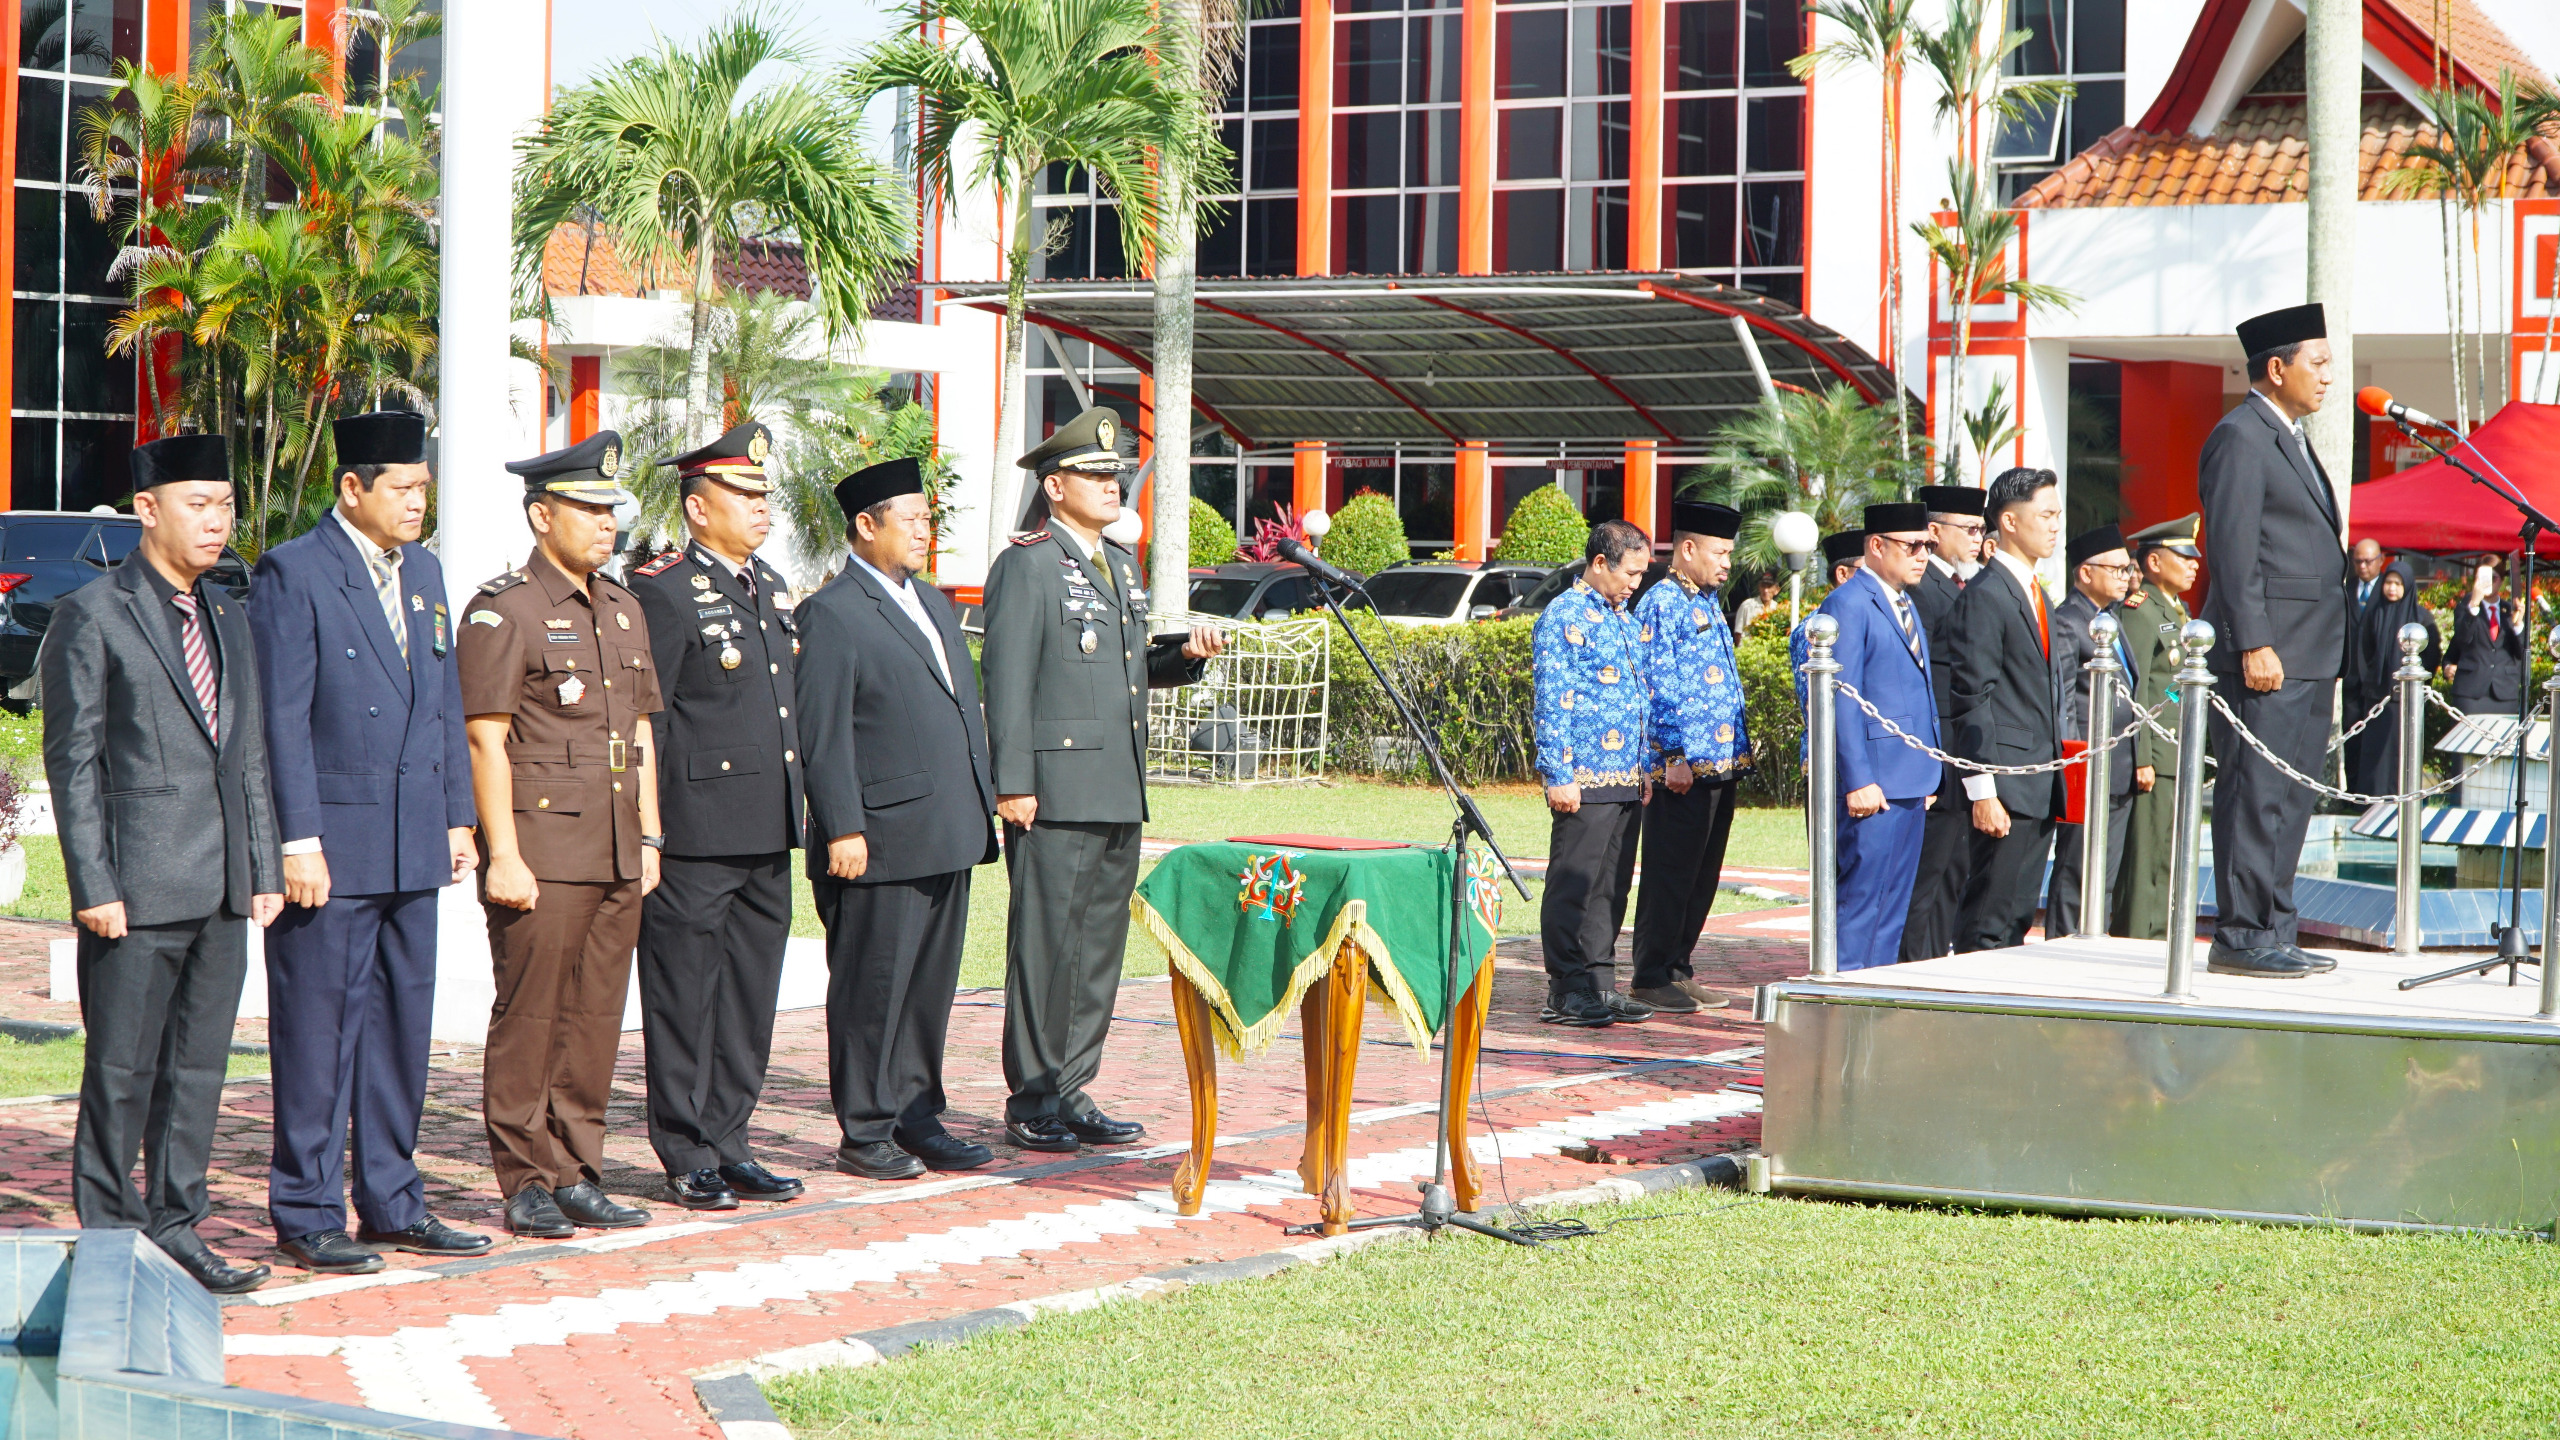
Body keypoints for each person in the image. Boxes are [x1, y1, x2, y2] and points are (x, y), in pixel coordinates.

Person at [249, 411, 490, 1277]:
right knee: (318, 1035)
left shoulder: (422, 570)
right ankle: (307, 1210)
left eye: (424, 488)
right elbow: (280, 717)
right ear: (352, 487)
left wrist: (458, 816)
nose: (418, 503)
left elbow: (444, 699)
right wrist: (296, 839)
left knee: (399, 1032)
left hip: (412, 837)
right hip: (334, 847)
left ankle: (393, 1200)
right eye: (404, 488)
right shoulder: (295, 571)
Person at [43, 433, 284, 1294]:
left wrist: (262, 865)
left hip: (221, 890)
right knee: (121, 1070)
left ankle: (179, 1225)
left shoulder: (227, 611)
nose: (217, 522)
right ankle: (112, 1236)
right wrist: (93, 883)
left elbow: (245, 752)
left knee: (197, 1071)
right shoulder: (94, 613)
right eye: (198, 505)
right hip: (136, 888)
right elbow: (72, 761)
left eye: (225, 506)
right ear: (148, 510)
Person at [983, 406, 1225, 1153]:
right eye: (1093, 474)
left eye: (1115, 473)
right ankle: (1033, 1096)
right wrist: (1012, 783)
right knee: (1045, 949)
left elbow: (1127, 669)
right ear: (1055, 486)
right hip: (1053, 792)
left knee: (1096, 953)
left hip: (1117, 784)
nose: (1111, 484)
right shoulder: (1027, 564)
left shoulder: (1120, 564)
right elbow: (1007, 680)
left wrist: (1184, 657)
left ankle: (1072, 1087)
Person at [460, 431, 664, 1235]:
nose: (606, 523)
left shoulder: (622, 608)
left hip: (616, 845)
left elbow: (640, 733)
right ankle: (525, 1179)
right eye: (587, 508)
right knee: (532, 1016)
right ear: (542, 516)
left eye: (611, 509)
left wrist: (649, 838)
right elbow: (484, 738)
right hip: (543, 849)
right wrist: (503, 854)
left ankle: (578, 1170)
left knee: (595, 1019)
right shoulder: (505, 608)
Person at [796, 458, 1001, 1180]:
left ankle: (918, 1115)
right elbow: (824, 734)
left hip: (946, 828)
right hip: (879, 836)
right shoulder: (832, 612)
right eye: (910, 519)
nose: (924, 531)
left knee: (926, 990)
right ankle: (865, 1129)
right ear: (866, 525)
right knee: (872, 990)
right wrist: (842, 826)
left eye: (927, 518)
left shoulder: (934, 603)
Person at [625, 422, 807, 1212]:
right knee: (683, 998)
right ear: (699, 508)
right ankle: (685, 1148)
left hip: (766, 827)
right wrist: (649, 829)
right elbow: (651, 720)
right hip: (695, 833)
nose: (762, 507)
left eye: (765, 494)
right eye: (744, 493)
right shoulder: (663, 589)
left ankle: (731, 1140)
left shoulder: (771, 583)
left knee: (748, 999)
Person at [2199, 303, 2347, 978]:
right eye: (2318, 363)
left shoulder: (2289, 434)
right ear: (2278, 368)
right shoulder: (2240, 435)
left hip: (2309, 649)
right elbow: (2232, 550)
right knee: (2254, 795)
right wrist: (2252, 641)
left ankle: (2275, 928)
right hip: (2269, 652)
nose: (2328, 376)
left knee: (2290, 798)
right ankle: (2241, 935)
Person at [1533, 518, 1657, 1023]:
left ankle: (1600, 984)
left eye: (1642, 574)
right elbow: (1551, 701)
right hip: (1583, 776)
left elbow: (1638, 697)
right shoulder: (1564, 615)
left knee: (1610, 886)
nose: (1636, 584)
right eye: (1631, 573)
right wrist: (1557, 772)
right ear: (1600, 562)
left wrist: (1644, 765)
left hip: (1625, 773)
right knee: (1574, 882)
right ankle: (1565, 988)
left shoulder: (1621, 617)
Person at [1627, 501, 1749, 1013]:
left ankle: (1678, 968)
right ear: (1689, 548)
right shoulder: (1663, 601)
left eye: (1729, 554)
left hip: (1720, 763)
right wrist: (1672, 754)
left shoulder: (1706, 600)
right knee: (1671, 872)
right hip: (1682, 768)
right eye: (1720, 553)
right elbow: (1657, 685)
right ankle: (1651, 974)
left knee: (1702, 874)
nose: (1727, 563)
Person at [1811, 503, 1940, 970]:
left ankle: (1872, 990)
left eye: (1928, 545)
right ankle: (1843, 992)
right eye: (1913, 545)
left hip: (1910, 775)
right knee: (1862, 901)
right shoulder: (1848, 603)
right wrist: (1858, 779)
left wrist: (1929, 765)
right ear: (1878, 545)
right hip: (1874, 782)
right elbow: (1842, 700)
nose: (1923, 555)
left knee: (1892, 906)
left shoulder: (1902, 600)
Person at [1949, 467, 2065, 953]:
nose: (2055, 525)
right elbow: (1971, 697)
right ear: (2010, 522)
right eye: (2046, 515)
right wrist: (1983, 791)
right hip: (2004, 786)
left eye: (2057, 514)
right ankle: (1970, 997)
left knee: (2015, 919)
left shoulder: (2036, 594)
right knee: (1988, 920)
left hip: (2038, 782)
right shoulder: (1986, 595)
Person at [1900, 484, 1988, 962]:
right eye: (1969, 529)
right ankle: (1912, 966)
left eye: (1981, 529)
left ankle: (1934, 961)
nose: (1978, 539)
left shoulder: (1961, 584)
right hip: (1936, 749)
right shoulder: (1922, 588)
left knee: (1953, 868)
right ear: (1934, 531)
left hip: (1959, 749)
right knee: (1927, 875)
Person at [2045, 523, 2138, 937]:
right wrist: (2073, 766)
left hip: (2119, 767)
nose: (2126, 577)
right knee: (2076, 873)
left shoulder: (2111, 619)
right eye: (2116, 569)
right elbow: (2064, 701)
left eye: (2127, 569)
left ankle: (2093, 942)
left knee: (2104, 876)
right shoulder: (2069, 621)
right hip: (2087, 767)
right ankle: (2064, 945)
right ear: (2085, 572)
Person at [2112, 515, 2201, 940]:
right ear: (2153, 561)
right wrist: (2141, 758)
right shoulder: (2141, 611)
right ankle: (2135, 937)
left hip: (2179, 748)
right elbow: (2136, 689)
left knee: (2170, 854)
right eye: (2183, 556)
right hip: (2156, 753)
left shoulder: (2178, 611)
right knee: (2145, 858)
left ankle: (2162, 936)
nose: (2194, 564)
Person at [2350, 561, 2440, 797]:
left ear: (2407, 586)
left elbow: (2432, 654)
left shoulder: (2421, 618)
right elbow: (2364, 650)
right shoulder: (2374, 612)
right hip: (2377, 695)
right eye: (2388, 582)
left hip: (2405, 697)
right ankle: (2372, 798)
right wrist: (2371, 679)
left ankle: (2400, 796)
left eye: (2398, 584)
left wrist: (2415, 685)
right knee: (2374, 751)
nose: (2392, 588)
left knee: (2401, 750)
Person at [2341, 538, 2393, 788]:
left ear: (2380, 560)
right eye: (2358, 561)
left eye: (2368, 561)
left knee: (2375, 737)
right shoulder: (2347, 588)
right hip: (2351, 676)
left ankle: (2374, 790)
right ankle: (2353, 792)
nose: (2363, 566)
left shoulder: (2389, 588)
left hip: (2378, 677)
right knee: (2351, 735)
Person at [2447, 556, 2525, 716]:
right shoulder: (2466, 607)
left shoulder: (2510, 610)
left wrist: (2518, 624)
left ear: (2501, 581)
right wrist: (2474, 605)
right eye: (2482, 578)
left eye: (2493, 578)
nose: (2488, 583)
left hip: (2504, 692)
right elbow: (2462, 639)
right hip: (2471, 691)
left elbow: (2521, 653)